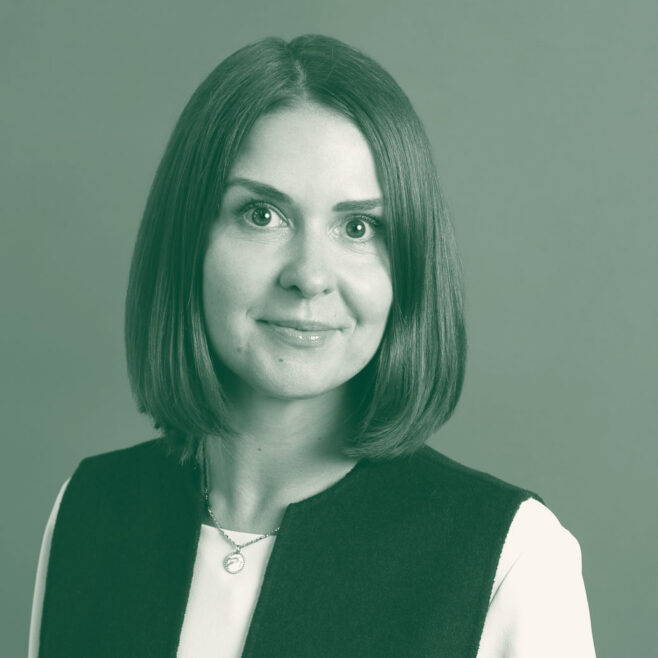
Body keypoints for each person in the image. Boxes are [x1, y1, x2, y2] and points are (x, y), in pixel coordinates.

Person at [29, 35, 596, 657]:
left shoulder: (513, 558)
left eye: (359, 226)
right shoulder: (91, 510)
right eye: (262, 215)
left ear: (407, 264)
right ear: (188, 238)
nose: (310, 275)